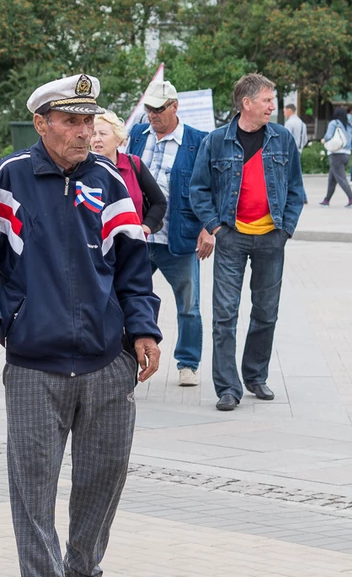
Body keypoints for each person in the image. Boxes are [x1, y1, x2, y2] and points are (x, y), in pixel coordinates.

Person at [0, 73, 160, 577]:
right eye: (71, 122)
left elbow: (134, 269)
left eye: (89, 121)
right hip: (35, 363)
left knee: (103, 475)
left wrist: (143, 330)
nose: (84, 132)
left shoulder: (109, 181)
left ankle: (83, 568)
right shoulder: (9, 179)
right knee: (33, 482)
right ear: (42, 124)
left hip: (106, 361)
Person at [189, 73, 306, 412]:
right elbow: (198, 189)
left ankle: (255, 376)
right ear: (247, 103)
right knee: (224, 315)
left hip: (272, 238)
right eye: (267, 100)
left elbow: (296, 189)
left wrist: (285, 231)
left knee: (266, 313)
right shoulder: (216, 141)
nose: (273, 106)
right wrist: (216, 228)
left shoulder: (282, 139)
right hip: (232, 238)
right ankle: (228, 387)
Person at [126, 79, 208, 387]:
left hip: (178, 238)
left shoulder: (197, 141)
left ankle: (188, 363)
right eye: (149, 108)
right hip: (138, 237)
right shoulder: (137, 134)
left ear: (175, 107)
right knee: (125, 297)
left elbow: (209, 188)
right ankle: (125, 358)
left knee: (189, 305)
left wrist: (207, 228)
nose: (152, 114)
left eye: (159, 109)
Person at [92, 111, 166, 235]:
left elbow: (159, 202)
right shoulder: (82, 169)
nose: (97, 139)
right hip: (97, 244)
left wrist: (144, 229)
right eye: (93, 134)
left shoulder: (133, 164)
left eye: (103, 134)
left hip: (132, 244)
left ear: (118, 140)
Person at [319, 107, 352, 207]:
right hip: (346, 154)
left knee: (341, 178)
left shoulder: (334, 123)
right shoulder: (349, 125)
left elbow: (329, 135)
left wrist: (324, 140)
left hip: (336, 154)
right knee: (332, 178)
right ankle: (326, 200)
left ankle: (351, 199)